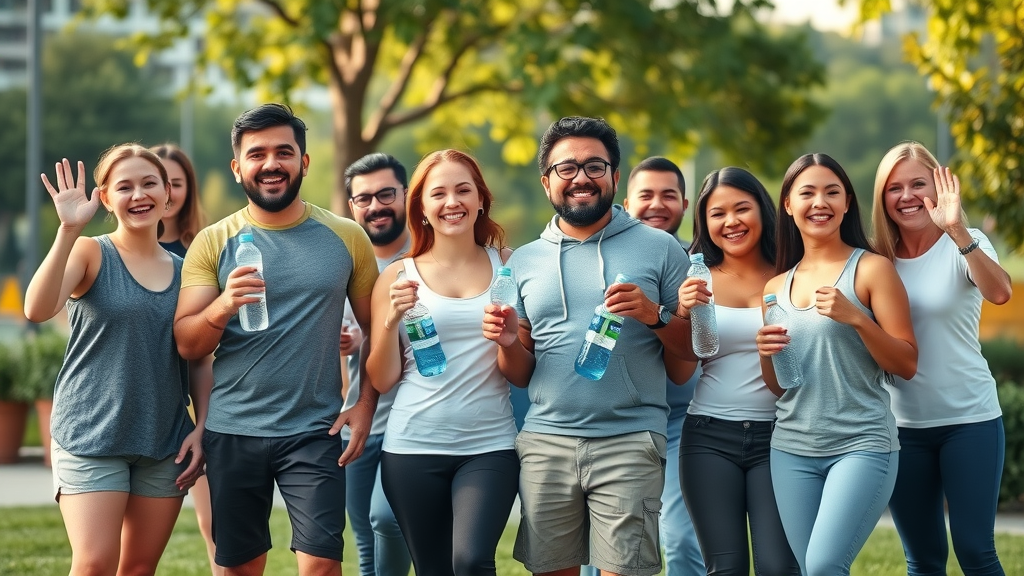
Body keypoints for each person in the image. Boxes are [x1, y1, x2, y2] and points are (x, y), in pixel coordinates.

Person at [173, 103, 380, 576]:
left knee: (322, 567)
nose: (271, 164)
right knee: (239, 569)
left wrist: (365, 403)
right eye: (257, 154)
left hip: (315, 430)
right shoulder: (212, 241)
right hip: (234, 429)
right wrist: (224, 305)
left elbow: (377, 331)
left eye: (284, 152)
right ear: (237, 167)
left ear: (304, 162)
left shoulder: (347, 237)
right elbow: (188, 343)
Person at [484, 117, 691, 576]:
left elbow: (685, 362)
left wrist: (653, 314)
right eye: (567, 168)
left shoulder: (660, 249)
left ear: (615, 176)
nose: (581, 177)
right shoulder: (524, 261)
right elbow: (519, 372)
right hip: (545, 442)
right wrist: (506, 342)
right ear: (546, 182)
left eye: (595, 166)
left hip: (631, 438)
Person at [24, 145, 205, 576]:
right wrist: (67, 231)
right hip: (90, 435)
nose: (138, 194)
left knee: (139, 568)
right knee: (94, 565)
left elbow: (199, 359)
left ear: (167, 195)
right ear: (105, 198)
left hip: (163, 440)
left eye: (149, 183)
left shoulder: (188, 272)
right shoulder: (90, 252)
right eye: (124, 186)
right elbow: (37, 308)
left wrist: (202, 427)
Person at [756, 153, 918, 576]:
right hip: (791, 448)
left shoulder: (872, 270)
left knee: (825, 564)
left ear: (847, 203)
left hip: (861, 444)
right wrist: (765, 353)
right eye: (806, 193)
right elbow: (779, 387)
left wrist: (857, 319)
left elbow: (906, 362)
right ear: (788, 205)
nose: (820, 203)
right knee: (810, 569)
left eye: (832, 192)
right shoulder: (775, 287)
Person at [367, 149, 519, 576]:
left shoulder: (508, 266)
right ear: (421, 208)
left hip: (489, 445)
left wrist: (509, 341)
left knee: (470, 562)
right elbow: (382, 380)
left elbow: (522, 369)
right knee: (434, 569)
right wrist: (390, 321)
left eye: (463, 190)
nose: (452, 202)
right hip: (411, 446)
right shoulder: (396, 276)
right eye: (439, 193)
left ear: (481, 200)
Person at [870, 142, 1012, 576]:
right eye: (895, 187)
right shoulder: (875, 257)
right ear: (882, 197)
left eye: (918, 183)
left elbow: (1000, 292)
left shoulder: (966, 243)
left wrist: (957, 232)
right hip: (900, 429)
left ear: (938, 186)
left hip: (970, 421)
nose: (907, 195)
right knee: (923, 560)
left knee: (975, 551)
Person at [675, 167, 799, 576]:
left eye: (742, 208)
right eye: (717, 213)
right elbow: (679, 372)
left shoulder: (793, 273)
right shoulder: (697, 281)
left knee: (779, 567)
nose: (731, 222)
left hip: (780, 437)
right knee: (725, 569)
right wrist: (682, 313)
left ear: (763, 212)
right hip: (708, 436)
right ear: (704, 223)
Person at [622, 157, 704, 576]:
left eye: (668, 195)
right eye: (646, 195)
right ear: (625, 202)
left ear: (685, 205)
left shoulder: (701, 265)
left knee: (682, 538)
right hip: (619, 420)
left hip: (681, 422)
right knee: (595, 548)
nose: (657, 204)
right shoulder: (609, 257)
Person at [149, 142, 223, 576]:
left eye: (175, 183)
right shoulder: (119, 250)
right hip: (147, 395)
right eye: (161, 182)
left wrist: (205, 420)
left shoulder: (206, 248)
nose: (167, 193)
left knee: (216, 523)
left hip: (198, 391)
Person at [339, 152, 413, 576]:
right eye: (363, 198)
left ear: (405, 195)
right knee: (366, 544)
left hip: (418, 424)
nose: (376, 205)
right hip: (360, 424)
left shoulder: (429, 258)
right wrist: (346, 342)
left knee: (394, 528)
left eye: (386, 194)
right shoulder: (346, 264)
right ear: (352, 206)